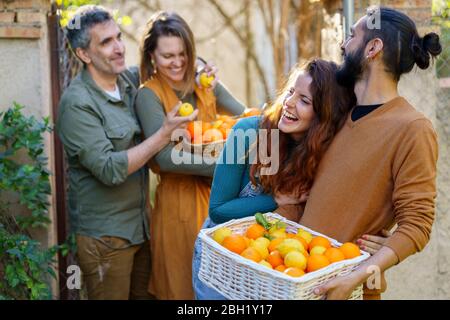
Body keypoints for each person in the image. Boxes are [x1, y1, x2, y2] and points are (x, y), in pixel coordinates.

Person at [56, 5, 198, 300]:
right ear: (84, 54)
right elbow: (109, 169)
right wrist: (163, 135)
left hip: (142, 228)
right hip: (105, 241)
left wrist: (203, 71)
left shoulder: (129, 82)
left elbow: (169, 63)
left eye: (118, 37)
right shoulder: (77, 105)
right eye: (106, 42)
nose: (119, 48)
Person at [301, 6, 442, 300]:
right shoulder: (339, 111)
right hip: (294, 278)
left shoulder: (412, 129)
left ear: (373, 48)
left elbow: (417, 225)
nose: (343, 44)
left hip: (341, 291)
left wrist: (356, 277)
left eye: (352, 36)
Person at [193, 59, 359, 299]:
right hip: (222, 262)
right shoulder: (248, 133)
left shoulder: (322, 154)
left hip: (271, 268)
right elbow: (218, 211)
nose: (289, 103)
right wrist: (278, 199)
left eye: (304, 100)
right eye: (291, 92)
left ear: (323, 115)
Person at [134, 11, 246, 299]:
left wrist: (209, 81)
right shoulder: (149, 95)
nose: (177, 62)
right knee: (185, 288)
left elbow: (242, 115)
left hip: (217, 199)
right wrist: (228, 166)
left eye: (183, 53)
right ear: (151, 57)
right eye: (167, 55)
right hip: (179, 207)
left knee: (222, 288)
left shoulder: (202, 83)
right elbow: (166, 158)